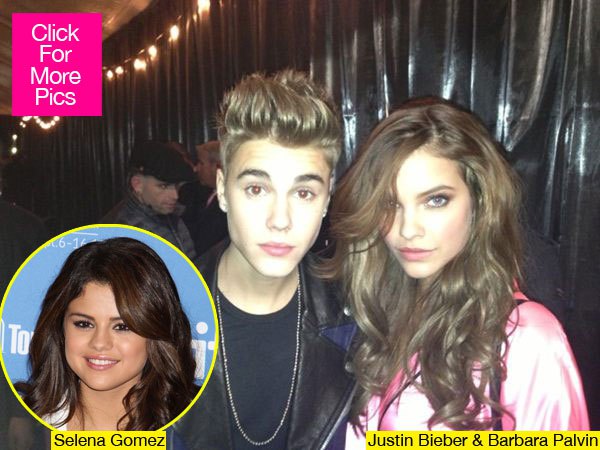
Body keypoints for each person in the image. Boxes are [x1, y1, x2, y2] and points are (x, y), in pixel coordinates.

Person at [324, 97, 589, 438]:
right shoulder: (377, 324)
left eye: (435, 200)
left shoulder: (528, 337)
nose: (407, 229)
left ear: (479, 201)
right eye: (390, 204)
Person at [173, 70, 355, 449]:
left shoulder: (357, 323)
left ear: (326, 199)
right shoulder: (155, 316)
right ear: (223, 191)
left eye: (303, 193)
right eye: (257, 189)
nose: (280, 220)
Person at [15, 237, 197, 431]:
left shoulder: (195, 428)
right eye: (84, 324)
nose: (100, 343)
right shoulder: (21, 421)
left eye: (122, 327)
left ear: (155, 334)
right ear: (60, 328)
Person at [101, 141, 198, 263]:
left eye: (177, 186)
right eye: (163, 186)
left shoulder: (172, 217)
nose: (175, 195)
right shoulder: (124, 232)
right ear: (137, 184)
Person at [180, 140, 229, 256]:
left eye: (201, 163)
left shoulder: (227, 202)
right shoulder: (201, 193)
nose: (195, 169)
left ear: (218, 167)